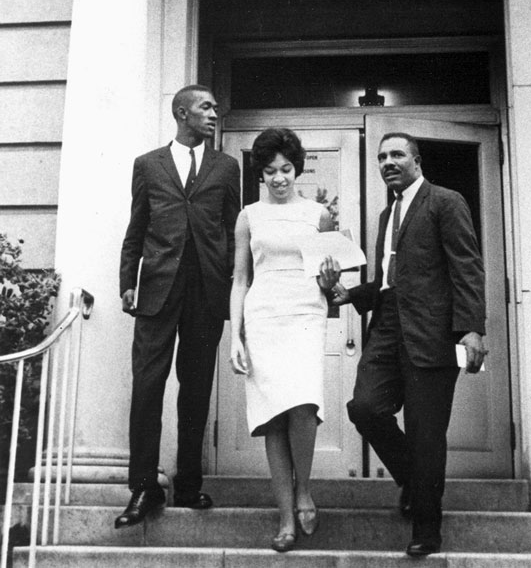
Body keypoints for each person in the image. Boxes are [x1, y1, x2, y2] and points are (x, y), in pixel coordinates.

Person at [331, 132, 486, 557]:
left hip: (433, 334)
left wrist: (471, 328)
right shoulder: (387, 215)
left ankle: (426, 529)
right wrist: (353, 295)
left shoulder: (445, 201)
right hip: (386, 327)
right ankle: (414, 483)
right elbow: (388, 283)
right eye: (381, 157)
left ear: (417, 160)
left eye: (397, 154)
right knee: (364, 407)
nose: (387, 162)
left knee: (425, 435)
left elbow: (467, 268)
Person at [115, 84, 240, 529]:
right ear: (181, 113)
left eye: (214, 106)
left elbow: (232, 229)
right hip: (157, 290)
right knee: (148, 385)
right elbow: (136, 229)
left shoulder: (227, 167)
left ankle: (188, 481)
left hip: (206, 292)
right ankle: (144, 487)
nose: (213, 113)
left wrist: (231, 286)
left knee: (196, 388)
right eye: (206, 107)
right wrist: (128, 281)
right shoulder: (148, 165)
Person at [229, 128, 340, 553]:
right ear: (261, 173)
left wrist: (331, 281)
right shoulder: (249, 216)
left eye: (286, 169)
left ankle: (305, 489)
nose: (278, 178)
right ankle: (285, 515)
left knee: (304, 406)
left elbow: (328, 275)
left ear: (298, 169)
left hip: (305, 312)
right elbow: (240, 278)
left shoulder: (318, 214)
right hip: (263, 316)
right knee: (273, 415)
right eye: (271, 171)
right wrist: (235, 335)